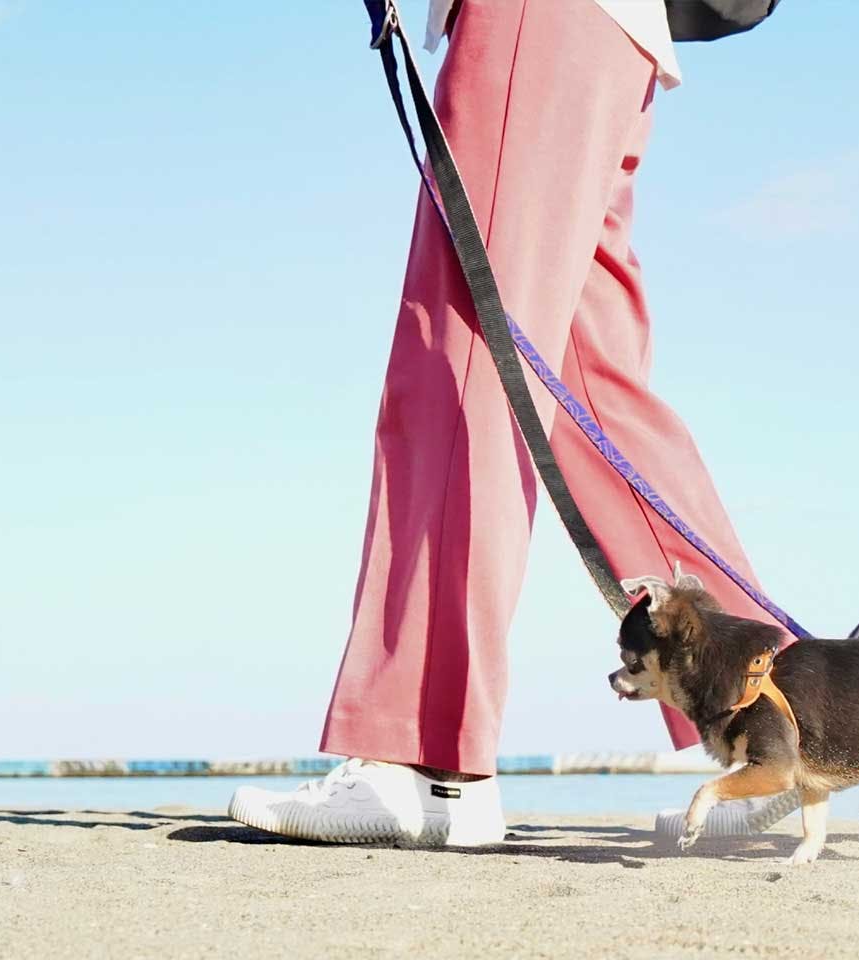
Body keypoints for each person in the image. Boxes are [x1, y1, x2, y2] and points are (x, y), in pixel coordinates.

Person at [229, 0, 780, 844]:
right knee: (590, 394)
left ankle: (423, 761)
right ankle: (773, 729)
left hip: (539, 20)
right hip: (608, 36)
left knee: (458, 366)